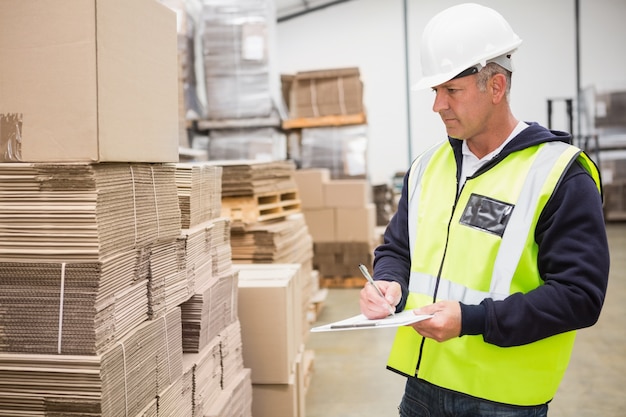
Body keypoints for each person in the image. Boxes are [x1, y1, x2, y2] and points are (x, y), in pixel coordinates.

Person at [359, 3, 610, 416]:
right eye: (435, 91)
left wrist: (472, 320)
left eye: (451, 90)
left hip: (503, 399)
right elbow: (397, 249)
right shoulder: (426, 167)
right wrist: (389, 283)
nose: (437, 105)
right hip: (422, 385)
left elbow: (580, 295)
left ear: (495, 87)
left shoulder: (559, 175)